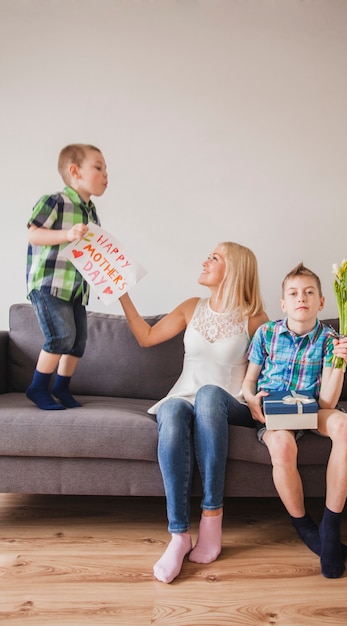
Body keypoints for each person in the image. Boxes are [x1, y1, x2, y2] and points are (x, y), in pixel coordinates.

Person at [119, 242, 268, 583]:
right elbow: (146, 337)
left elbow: (276, 365)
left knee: (208, 395)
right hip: (186, 397)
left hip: (229, 403)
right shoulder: (191, 307)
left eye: (214, 258)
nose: (205, 261)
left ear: (234, 270)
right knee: (171, 410)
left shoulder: (255, 319)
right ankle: (179, 536)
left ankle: (212, 519)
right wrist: (123, 294)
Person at [242, 262, 347, 579]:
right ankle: (305, 526)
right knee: (281, 446)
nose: (301, 298)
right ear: (283, 303)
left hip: (311, 409)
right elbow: (248, 381)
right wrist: (251, 399)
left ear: (321, 302)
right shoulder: (266, 333)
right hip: (276, 412)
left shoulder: (331, 340)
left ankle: (330, 528)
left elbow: (328, 403)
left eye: (309, 292)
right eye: (293, 293)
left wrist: (340, 363)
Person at [26, 144, 108, 410]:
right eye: (98, 167)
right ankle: (38, 387)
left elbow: (90, 252)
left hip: (76, 289)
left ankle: (61, 386)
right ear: (74, 171)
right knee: (60, 337)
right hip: (50, 285)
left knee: (78, 342)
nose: (106, 174)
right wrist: (67, 234)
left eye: (106, 169)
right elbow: (34, 234)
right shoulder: (54, 201)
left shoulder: (91, 211)